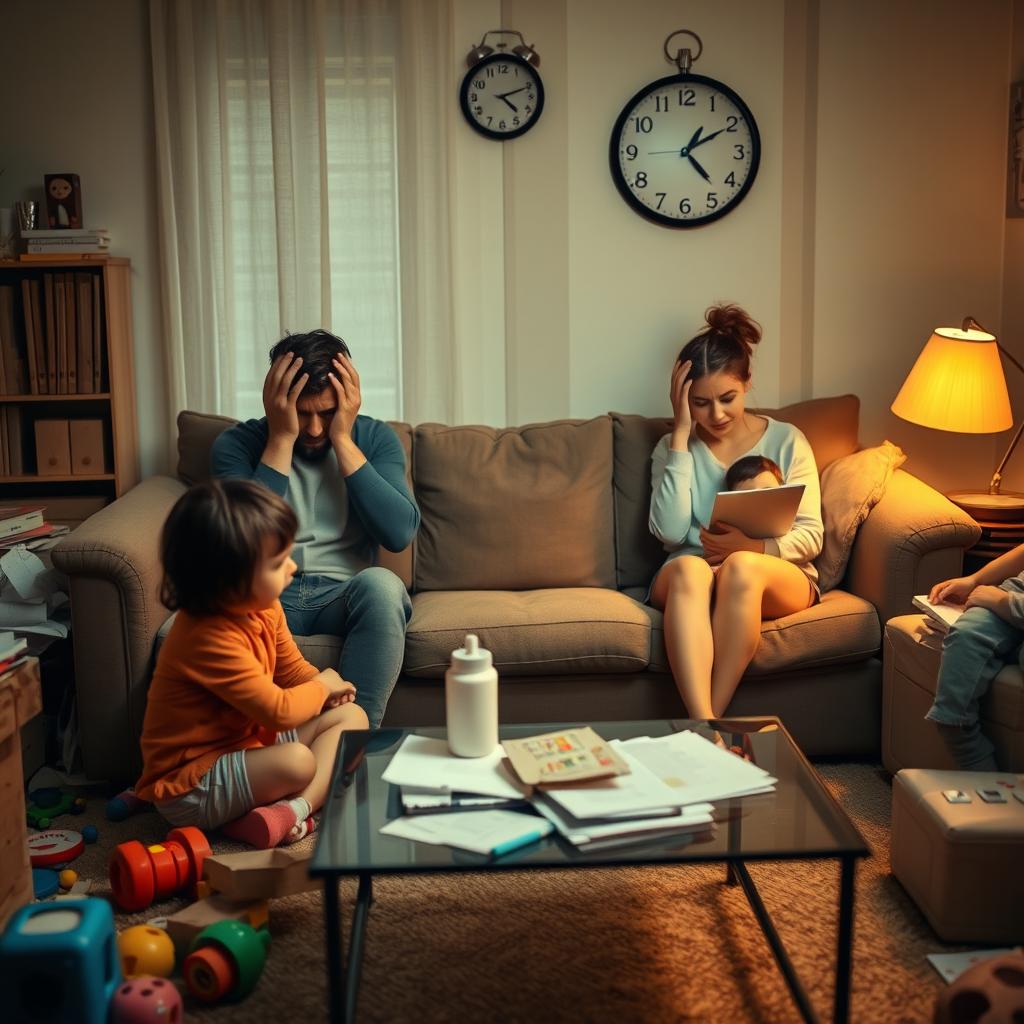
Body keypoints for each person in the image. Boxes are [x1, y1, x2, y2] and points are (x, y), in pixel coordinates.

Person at [135, 479, 368, 848]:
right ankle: (281, 809)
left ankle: (292, 810)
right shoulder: (206, 638)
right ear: (230, 581)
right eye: (278, 563)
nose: (292, 568)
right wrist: (322, 685)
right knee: (299, 762)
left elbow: (291, 671)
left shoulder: (264, 605)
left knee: (354, 718)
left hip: (247, 745)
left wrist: (329, 696)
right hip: (192, 781)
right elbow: (278, 710)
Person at [212, 330, 420, 728]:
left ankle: (353, 743)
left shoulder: (374, 439)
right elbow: (241, 544)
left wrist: (342, 438)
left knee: (383, 586)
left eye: (325, 413)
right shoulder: (236, 445)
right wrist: (280, 437)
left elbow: (399, 533)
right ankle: (263, 759)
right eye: (300, 412)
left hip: (343, 597)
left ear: (346, 401)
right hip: (266, 597)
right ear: (276, 400)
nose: (312, 428)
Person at [648, 304, 823, 721]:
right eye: (701, 403)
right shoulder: (673, 447)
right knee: (690, 568)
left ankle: (704, 724)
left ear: (747, 382)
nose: (717, 415)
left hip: (771, 576)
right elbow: (671, 534)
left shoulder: (787, 440)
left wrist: (756, 546)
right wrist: (679, 436)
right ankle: (707, 725)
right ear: (684, 401)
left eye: (728, 399)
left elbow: (812, 534)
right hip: (691, 572)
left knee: (741, 566)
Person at [925, 543, 1024, 770]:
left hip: (1010, 601)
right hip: (1015, 591)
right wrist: (975, 579)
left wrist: (1004, 602)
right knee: (964, 636)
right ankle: (987, 789)